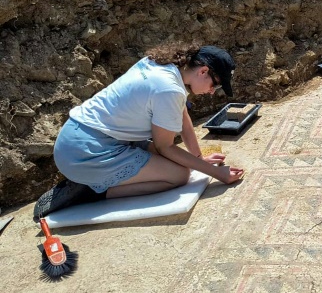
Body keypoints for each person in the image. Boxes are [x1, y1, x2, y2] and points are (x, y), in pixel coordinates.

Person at [33, 44, 245, 221]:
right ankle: (91, 191)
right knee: (179, 175)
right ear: (203, 71)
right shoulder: (169, 89)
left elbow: (182, 117)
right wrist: (217, 174)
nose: (211, 91)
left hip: (80, 137)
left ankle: (94, 181)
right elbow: (165, 147)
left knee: (183, 163)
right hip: (86, 152)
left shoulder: (165, 67)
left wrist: (199, 159)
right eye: (215, 85)